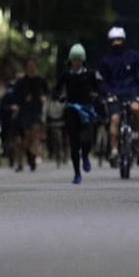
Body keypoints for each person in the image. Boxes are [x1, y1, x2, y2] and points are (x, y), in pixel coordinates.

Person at [96, 27, 139, 169]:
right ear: (109, 42)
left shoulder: (133, 57)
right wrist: (107, 93)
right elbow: (101, 80)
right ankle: (114, 151)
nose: (117, 42)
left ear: (124, 40)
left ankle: (134, 135)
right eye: (114, 40)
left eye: (119, 39)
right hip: (114, 95)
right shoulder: (106, 60)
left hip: (131, 93)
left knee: (135, 109)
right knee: (114, 120)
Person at [53, 43, 98, 184]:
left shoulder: (89, 74)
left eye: (79, 59)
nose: (77, 62)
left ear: (83, 60)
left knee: (87, 139)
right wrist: (59, 97)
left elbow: (98, 88)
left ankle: (85, 155)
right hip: (71, 110)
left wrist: (96, 95)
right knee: (74, 143)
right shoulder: (67, 74)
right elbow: (55, 90)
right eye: (74, 59)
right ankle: (77, 173)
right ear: (71, 60)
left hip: (86, 110)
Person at [0, 57, 49, 172]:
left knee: (35, 132)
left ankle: (32, 153)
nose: (31, 67)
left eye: (33, 65)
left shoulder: (40, 80)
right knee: (27, 137)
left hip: (36, 109)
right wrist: (18, 104)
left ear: (36, 66)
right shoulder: (21, 82)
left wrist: (44, 97)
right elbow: (16, 96)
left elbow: (47, 92)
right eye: (29, 65)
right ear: (26, 67)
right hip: (25, 111)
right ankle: (30, 155)